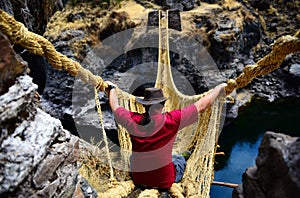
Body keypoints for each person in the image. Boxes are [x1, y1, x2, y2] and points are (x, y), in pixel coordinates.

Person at [105, 81, 227, 191]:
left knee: (133, 157)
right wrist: (218, 88)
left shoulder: (132, 120)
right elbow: (201, 106)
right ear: (163, 104)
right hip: (164, 181)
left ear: (144, 105)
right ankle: (182, 157)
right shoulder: (171, 120)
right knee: (178, 160)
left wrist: (112, 88)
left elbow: (115, 107)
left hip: (139, 179)